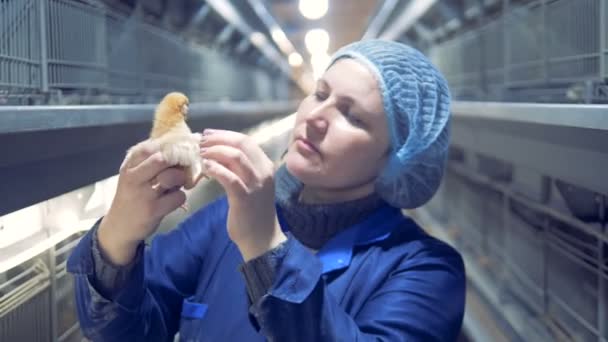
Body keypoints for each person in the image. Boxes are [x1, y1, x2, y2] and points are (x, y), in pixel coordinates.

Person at [67, 39, 465, 342]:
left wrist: (266, 249)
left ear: (396, 157)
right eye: (321, 94)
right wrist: (117, 237)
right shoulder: (225, 218)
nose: (316, 117)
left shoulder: (425, 270)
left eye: (352, 115)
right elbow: (127, 331)